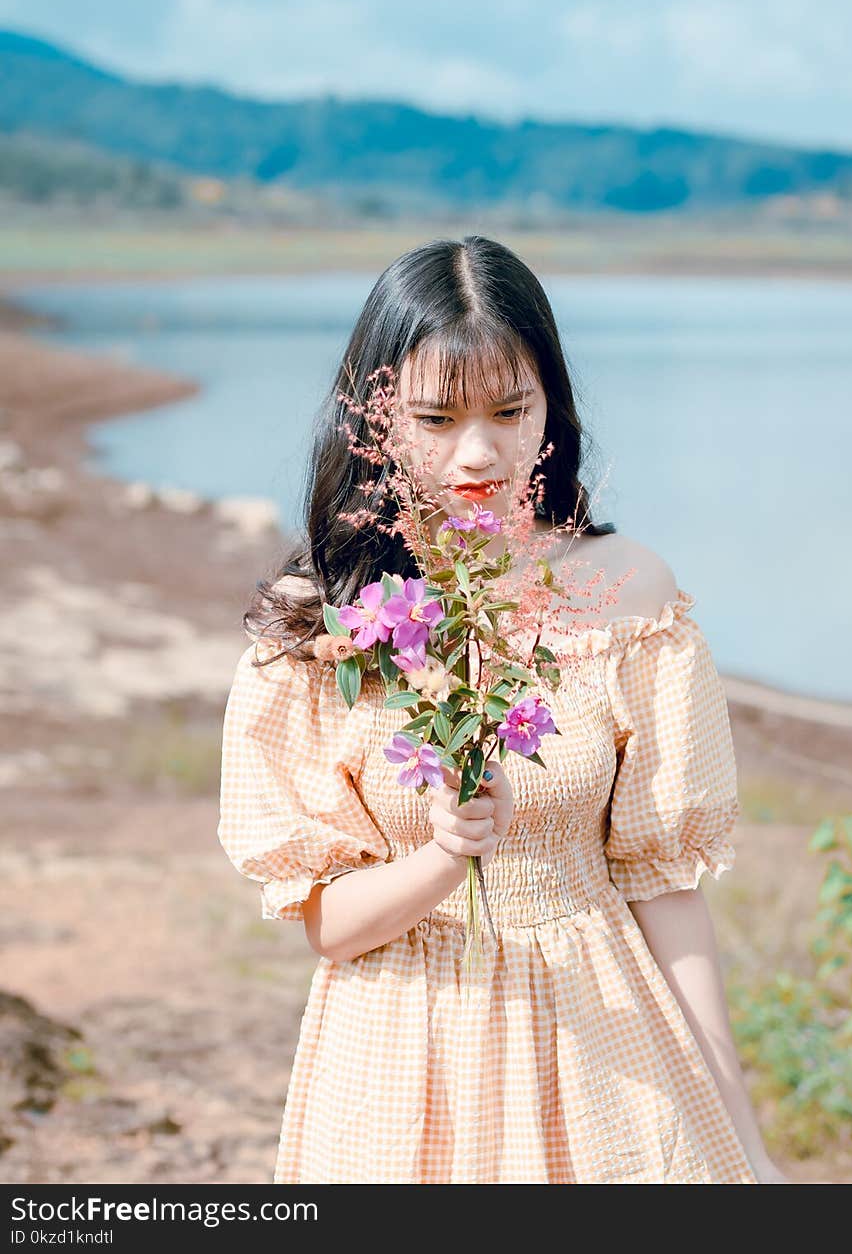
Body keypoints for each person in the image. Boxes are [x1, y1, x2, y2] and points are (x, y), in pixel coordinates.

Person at [217, 234, 788, 1184]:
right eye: (435, 418)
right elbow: (326, 923)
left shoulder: (629, 596)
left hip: (605, 1046)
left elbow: (663, 883)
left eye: (510, 410)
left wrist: (745, 1140)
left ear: (550, 411)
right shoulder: (325, 625)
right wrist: (444, 856)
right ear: (376, 419)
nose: (478, 452)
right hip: (400, 1056)